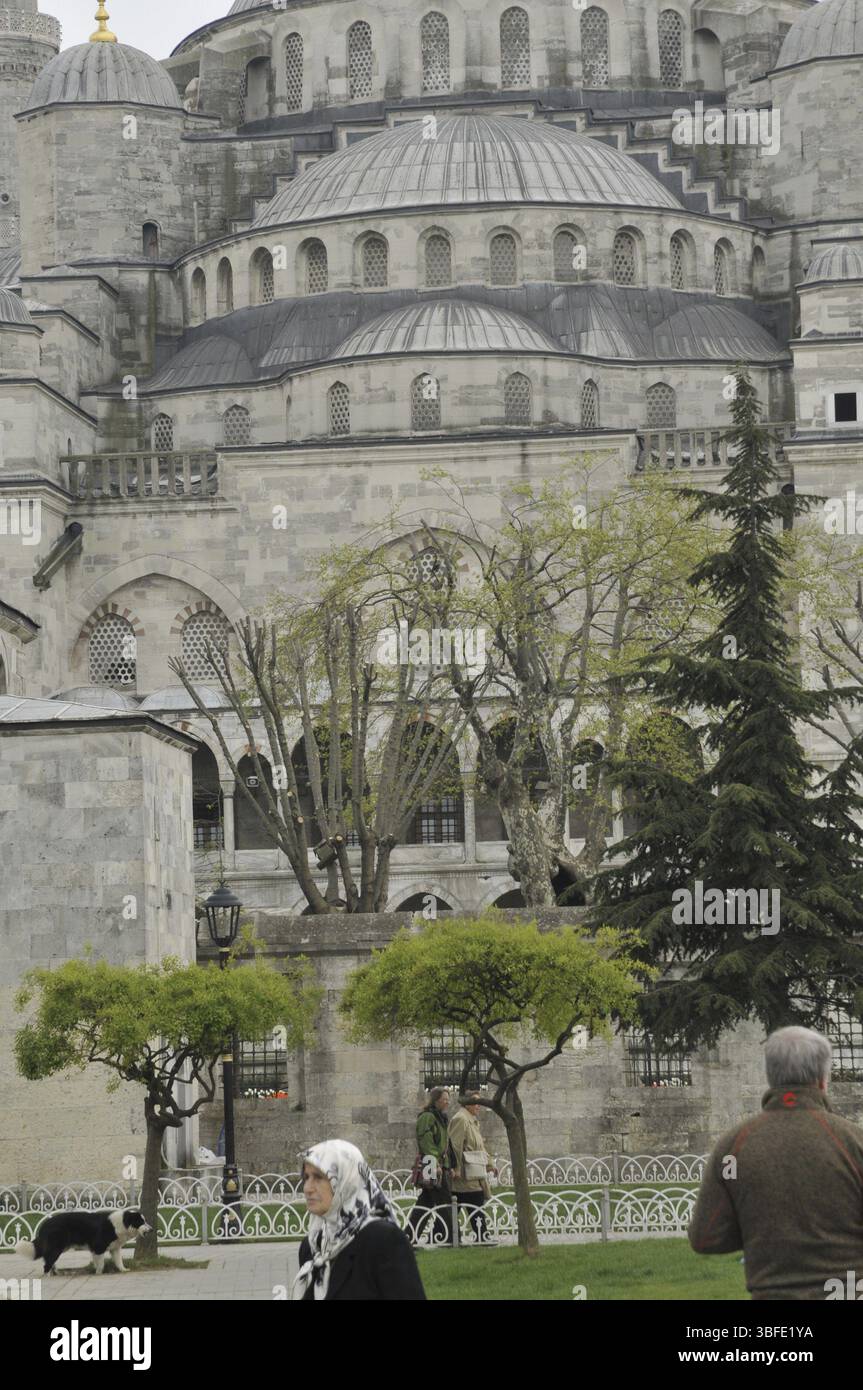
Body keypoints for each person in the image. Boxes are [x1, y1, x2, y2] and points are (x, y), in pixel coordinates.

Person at [689, 1025, 863, 1300]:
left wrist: (762, 1230)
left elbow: (706, 1237)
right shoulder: (853, 1142)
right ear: (822, 1079)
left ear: (771, 1076)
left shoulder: (734, 1147)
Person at [292, 1139, 426, 1300]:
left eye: (318, 1177)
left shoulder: (383, 1240)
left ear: (346, 1180)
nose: (307, 1188)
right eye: (306, 1177)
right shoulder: (313, 1245)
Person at [448, 1092, 499, 1245]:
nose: (479, 1106)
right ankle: (481, 1236)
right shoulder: (461, 1119)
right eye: (476, 1102)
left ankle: (446, 1235)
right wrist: (455, 1167)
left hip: (472, 1170)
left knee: (466, 1203)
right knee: (474, 1201)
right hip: (464, 1172)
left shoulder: (471, 1120)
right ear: (467, 1103)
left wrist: (490, 1164)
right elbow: (455, 1146)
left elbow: (480, 1146)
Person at [407, 1086, 453, 1246]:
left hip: (437, 1163)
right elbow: (426, 1141)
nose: (447, 1102)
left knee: (426, 1202)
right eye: (444, 1099)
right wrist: (435, 1163)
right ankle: (452, 1238)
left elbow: (443, 1143)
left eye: (448, 1099)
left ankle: (409, 1237)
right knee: (445, 1200)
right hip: (431, 1164)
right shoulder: (428, 1117)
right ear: (436, 1100)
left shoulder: (440, 1117)